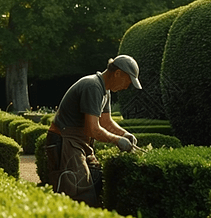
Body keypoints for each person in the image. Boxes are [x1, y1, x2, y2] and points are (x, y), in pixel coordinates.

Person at [43, 55, 142, 207]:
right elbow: (92, 129)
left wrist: (124, 134)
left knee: (96, 180)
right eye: (128, 81)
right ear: (118, 73)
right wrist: (117, 140)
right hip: (64, 141)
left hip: (79, 142)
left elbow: (106, 121)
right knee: (78, 190)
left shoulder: (105, 91)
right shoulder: (93, 86)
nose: (127, 86)